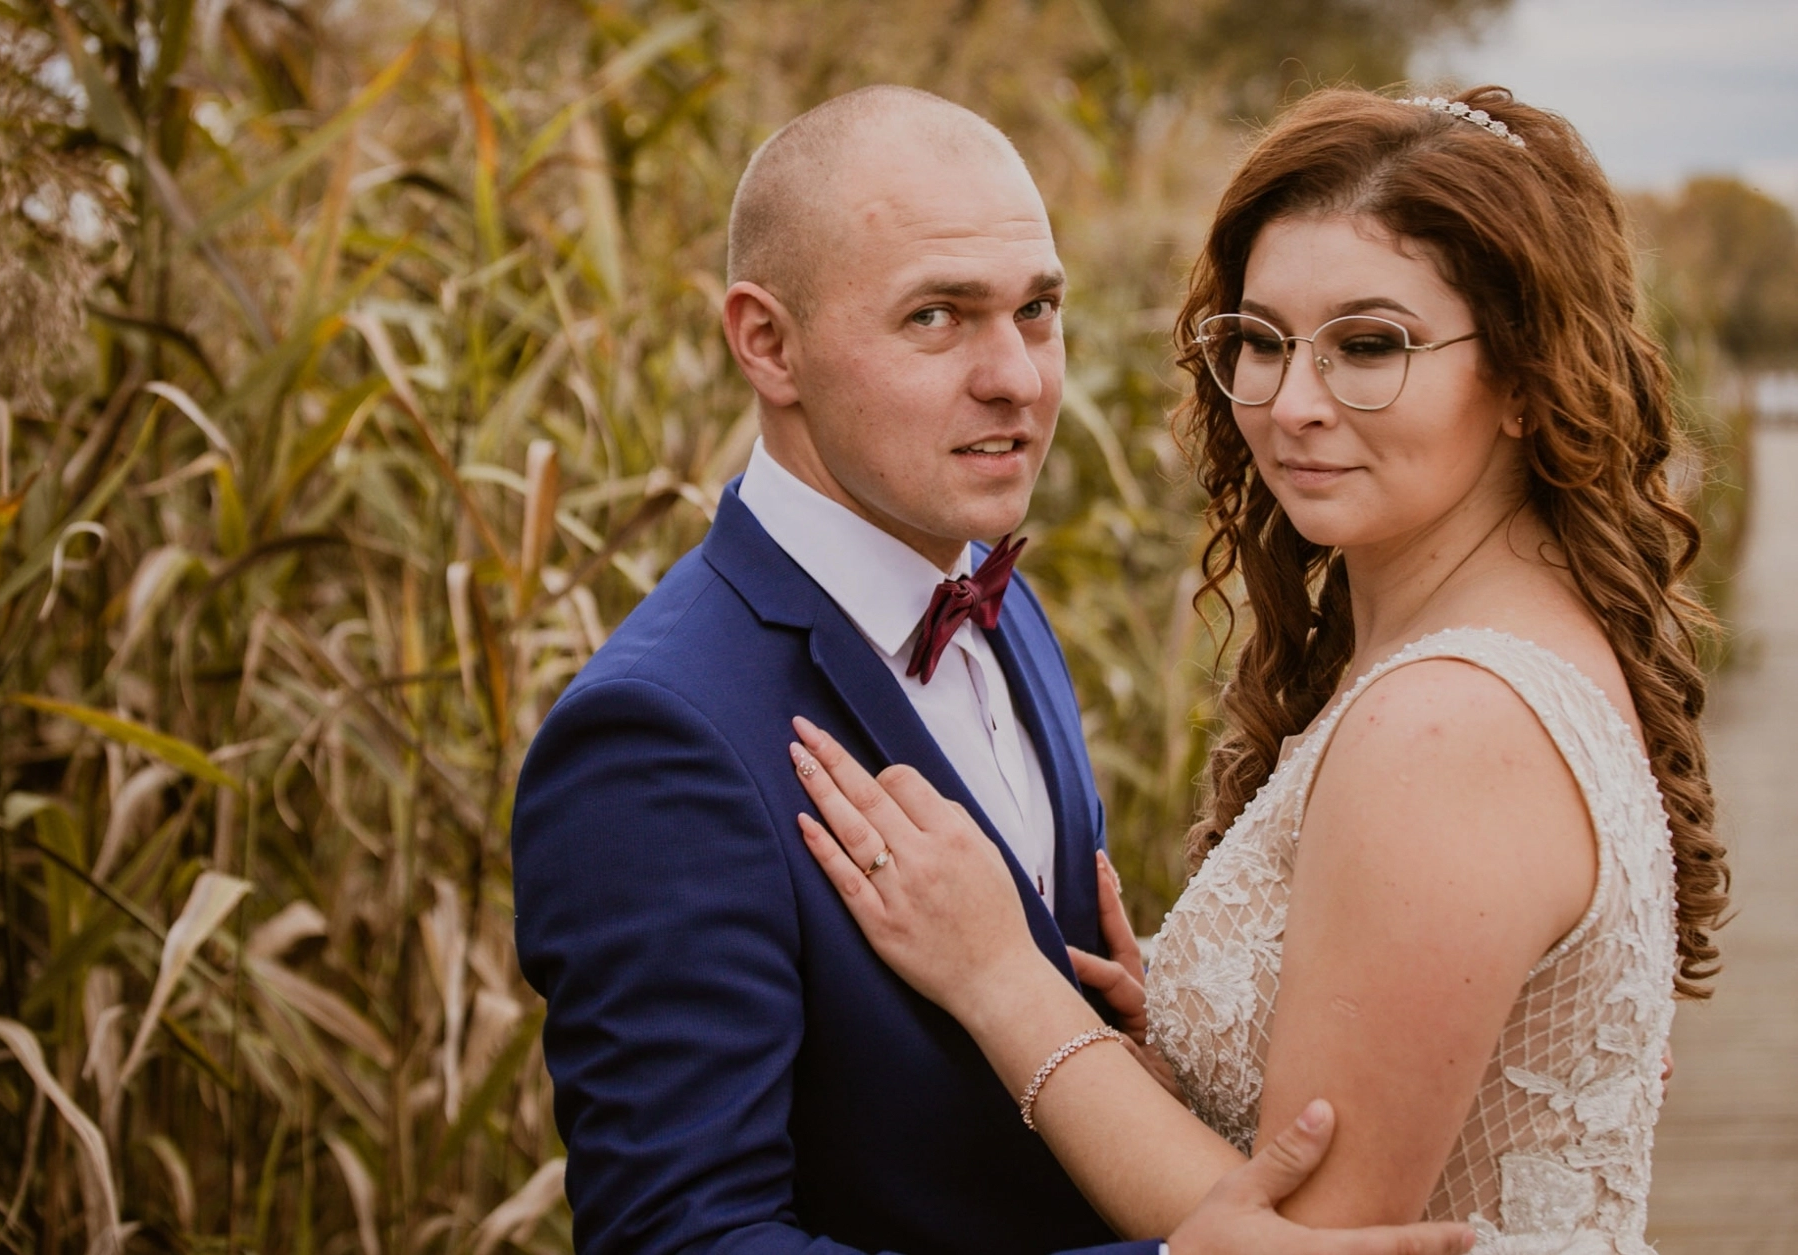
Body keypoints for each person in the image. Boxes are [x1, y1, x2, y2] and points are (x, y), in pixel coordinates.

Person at [512, 85, 1474, 1255]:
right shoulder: (656, 737)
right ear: (767, 343)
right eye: (937, 317)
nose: (1016, 377)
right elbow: (683, 1241)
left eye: (1036, 309)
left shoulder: (998, 601)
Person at [786, 84, 1729, 1252]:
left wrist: (998, 980)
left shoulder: (1446, 726)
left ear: (1528, 380)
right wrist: (1186, 1055)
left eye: (1368, 346)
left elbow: (1298, 1242)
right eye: (1261, 341)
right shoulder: (1503, 640)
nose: (1291, 404)